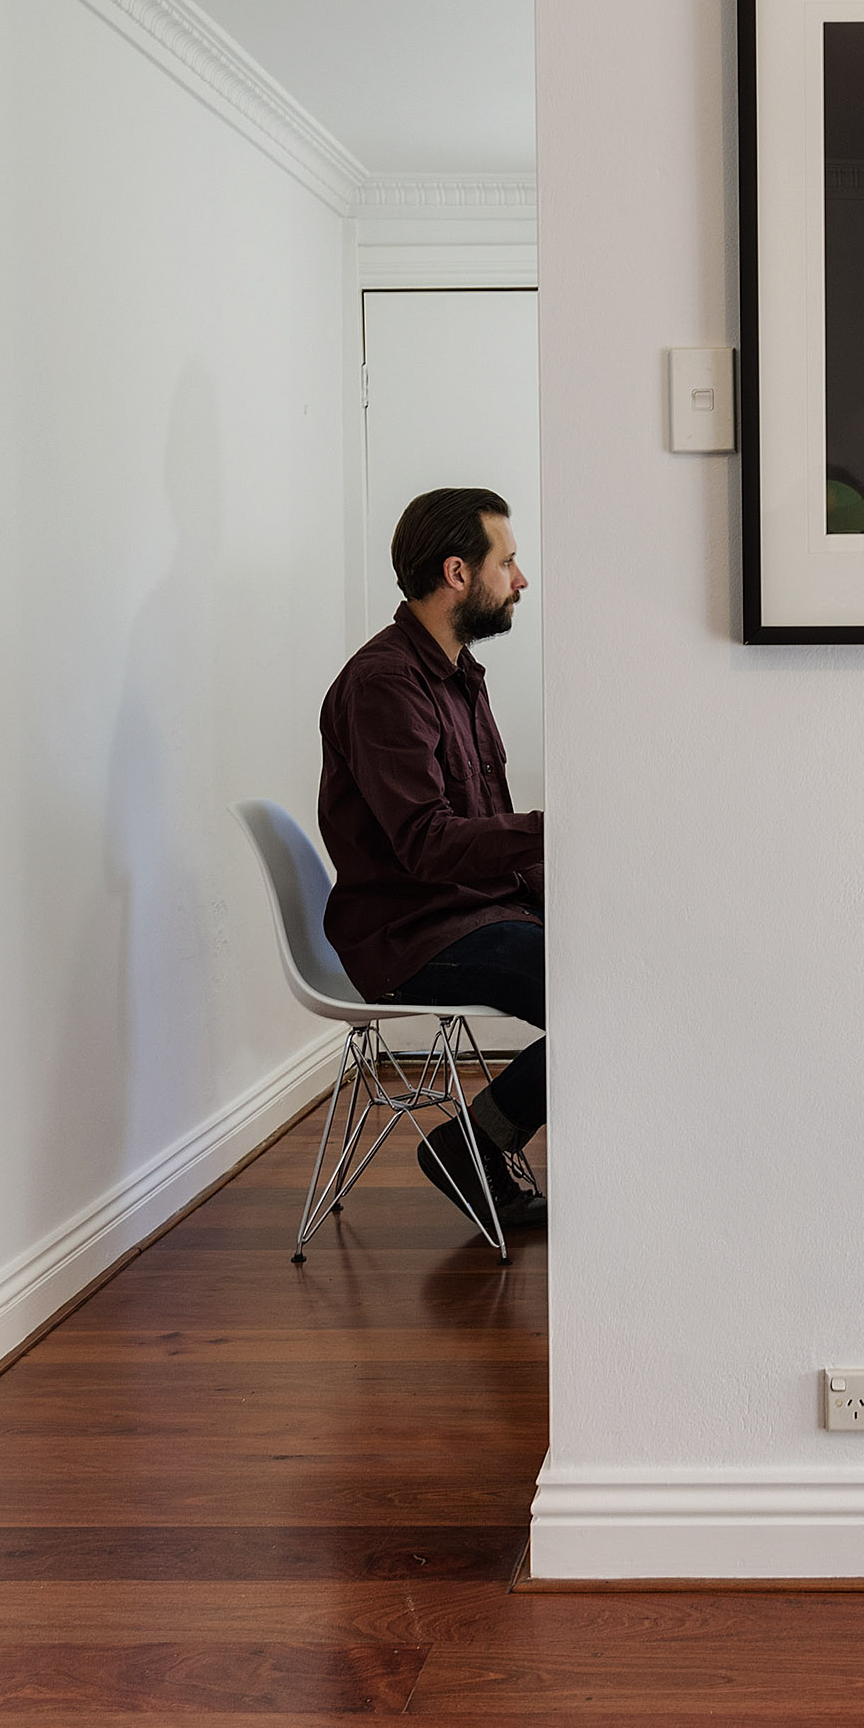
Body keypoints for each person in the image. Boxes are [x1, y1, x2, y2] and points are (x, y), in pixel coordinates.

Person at [316, 487, 547, 1235]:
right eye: (506, 562)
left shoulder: (459, 674)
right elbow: (426, 842)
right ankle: (471, 1147)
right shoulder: (384, 684)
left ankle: (475, 1143)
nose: (520, 579)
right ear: (457, 572)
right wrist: (556, 833)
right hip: (411, 932)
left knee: (627, 964)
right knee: (604, 996)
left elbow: (483, 826)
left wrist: (565, 886)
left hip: (472, 910)